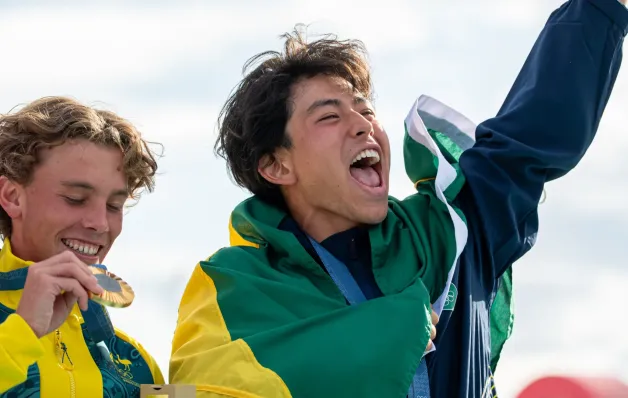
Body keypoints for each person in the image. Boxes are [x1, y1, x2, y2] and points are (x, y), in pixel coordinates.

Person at [169, 0, 628, 397]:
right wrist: (386, 330)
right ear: (277, 166)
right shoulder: (235, 285)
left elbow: (531, 130)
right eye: (329, 116)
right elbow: (189, 391)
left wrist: (598, 8)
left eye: (365, 108)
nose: (362, 123)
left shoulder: (448, 230)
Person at [0, 97, 164, 397]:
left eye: (115, 205)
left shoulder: (134, 361)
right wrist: (21, 333)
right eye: (75, 198)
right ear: (12, 196)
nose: (100, 223)